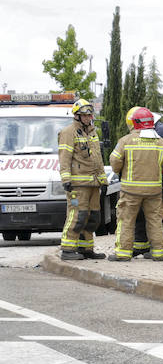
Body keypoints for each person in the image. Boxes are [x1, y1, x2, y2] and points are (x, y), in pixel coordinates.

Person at [108, 107, 163, 261]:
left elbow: (114, 161)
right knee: (155, 221)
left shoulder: (125, 141)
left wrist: (120, 169)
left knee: (126, 221)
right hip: (153, 191)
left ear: (134, 123)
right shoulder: (160, 142)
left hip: (131, 191)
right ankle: (159, 252)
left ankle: (123, 253)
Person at [57, 98, 108, 260]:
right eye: (84, 115)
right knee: (77, 216)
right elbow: (64, 157)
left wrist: (103, 180)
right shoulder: (68, 132)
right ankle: (67, 249)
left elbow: (98, 158)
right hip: (77, 184)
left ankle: (86, 249)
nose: (88, 118)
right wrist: (66, 179)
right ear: (77, 116)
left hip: (93, 184)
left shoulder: (92, 132)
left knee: (92, 218)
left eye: (90, 115)